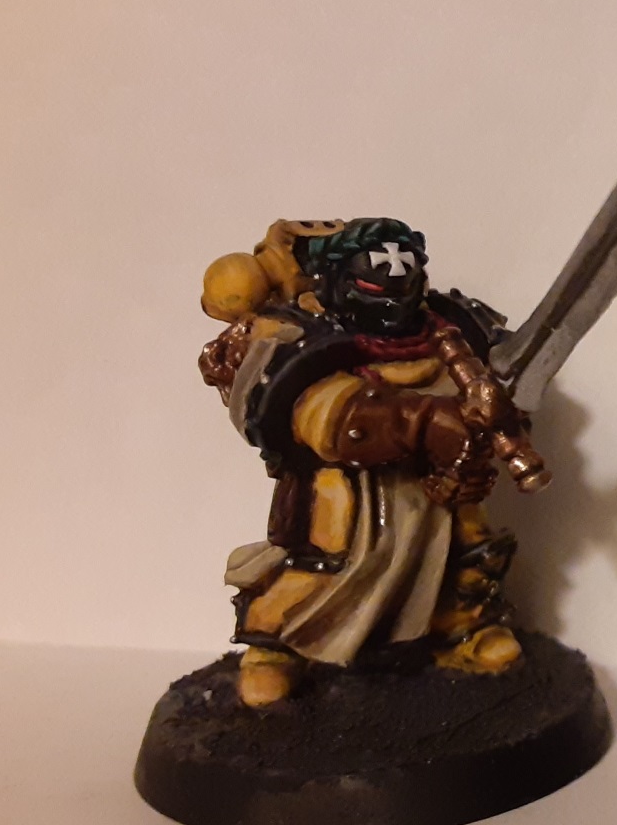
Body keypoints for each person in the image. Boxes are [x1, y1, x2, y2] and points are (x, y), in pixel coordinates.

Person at [198, 218, 531, 706]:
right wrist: (423, 421)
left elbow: (507, 377)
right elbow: (312, 411)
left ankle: (464, 628)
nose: (394, 277)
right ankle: (274, 648)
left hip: (438, 479)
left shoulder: (448, 325)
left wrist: (499, 414)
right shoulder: (295, 331)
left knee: (467, 548)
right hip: (345, 485)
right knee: (324, 566)